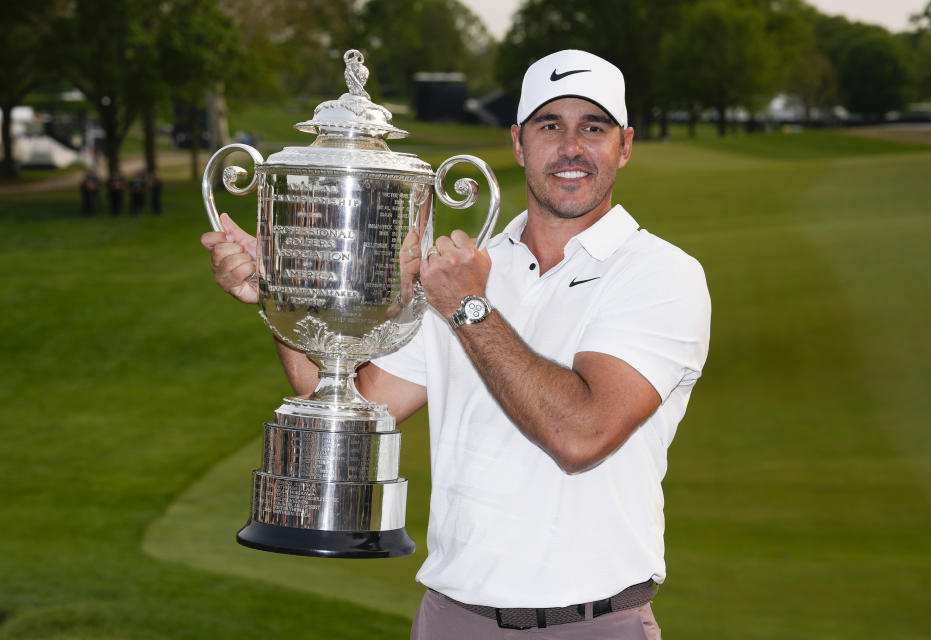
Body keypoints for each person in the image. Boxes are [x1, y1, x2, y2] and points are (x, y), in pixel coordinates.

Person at [202, 50, 710, 640]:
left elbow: (581, 435)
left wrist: (469, 309)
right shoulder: (464, 266)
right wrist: (282, 291)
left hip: (593, 623)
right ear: (518, 143)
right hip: (451, 619)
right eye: (551, 126)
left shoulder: (659, 273)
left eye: (592, 128)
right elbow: (353, 399)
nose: (571, 147)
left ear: (624, 145)